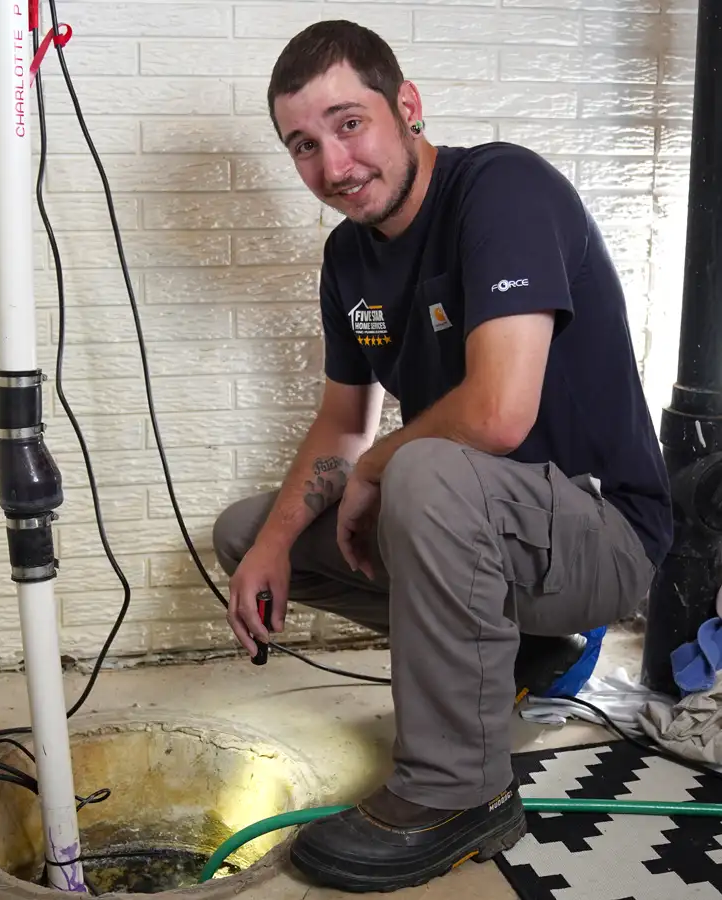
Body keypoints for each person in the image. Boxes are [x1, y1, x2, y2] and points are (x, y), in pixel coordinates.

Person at [211, 19, 673, 894]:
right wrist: (274, 543)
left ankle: (460, 792)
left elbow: (499, 413)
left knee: (419, 470)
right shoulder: (348, 258)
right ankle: (513, 654)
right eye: (303, 145)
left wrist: (383, 463)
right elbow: (345, 420)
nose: (333, 167)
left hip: (602, 534)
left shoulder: (502, 189)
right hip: (478, 525)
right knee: (249, 532)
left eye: (350, 125)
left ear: (407, 107)